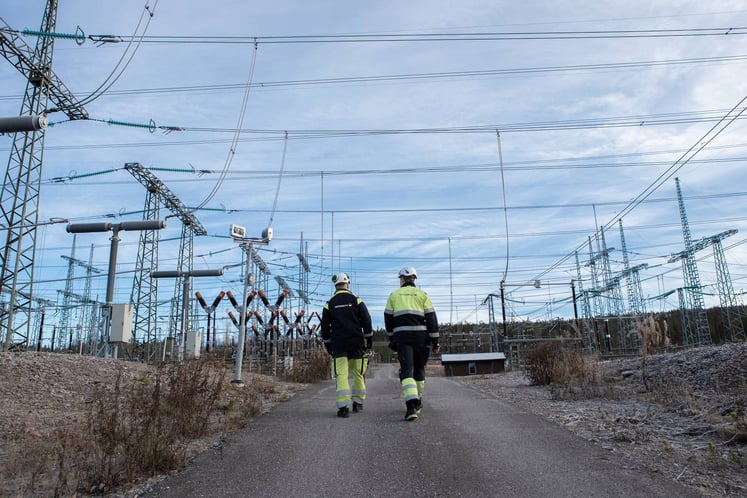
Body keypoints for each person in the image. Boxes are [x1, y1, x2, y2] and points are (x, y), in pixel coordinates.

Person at [384, 266, 440, 421]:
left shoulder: (393, 296)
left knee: (407, 371)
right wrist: (435, 341)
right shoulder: (422, 295)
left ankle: (410, 407)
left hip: (403, 338)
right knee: (420, 370)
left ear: (402, 279)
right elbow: (431, 319)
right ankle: (418, 401)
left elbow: (388, 319)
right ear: (414, 279)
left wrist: (392, 338)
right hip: (422, 339)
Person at [321, 272, 373, 418]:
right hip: (356, 342)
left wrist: (327, 344)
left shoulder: (329, 303)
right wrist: (368, 339)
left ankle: (343, 408)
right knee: (358, 373)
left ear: (335, 286)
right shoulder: (356, 300)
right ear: (347, 284)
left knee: (341, 375)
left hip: (338, 344)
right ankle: (358, 403)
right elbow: (367, 321)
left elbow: (324, 327)